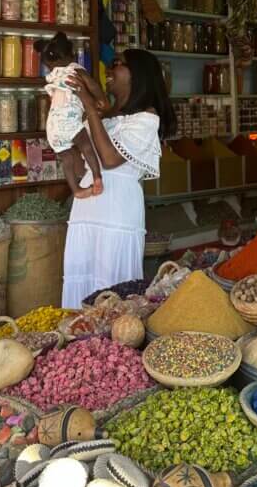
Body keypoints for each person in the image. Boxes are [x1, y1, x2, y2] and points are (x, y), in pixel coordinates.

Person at [61, 48, 176, 309]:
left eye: (117, 64)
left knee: (112, 286)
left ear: (137, 75)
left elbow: (110, 159)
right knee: (83, 277)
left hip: (117, 211)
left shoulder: (146, 118)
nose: (110, 70)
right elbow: (80, 165)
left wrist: (89, 105)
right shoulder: (105, 116)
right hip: (87, 208)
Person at [34, 32, 108, 198]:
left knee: (66, 159)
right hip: (69, 122)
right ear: (71, 55)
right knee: (86, 147)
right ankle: (97, 177)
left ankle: (76, 190)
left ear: (48, 63)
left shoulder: (53, 75)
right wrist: (100, 99)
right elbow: (93, 86)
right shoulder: (75, 69)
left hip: (52, 127)